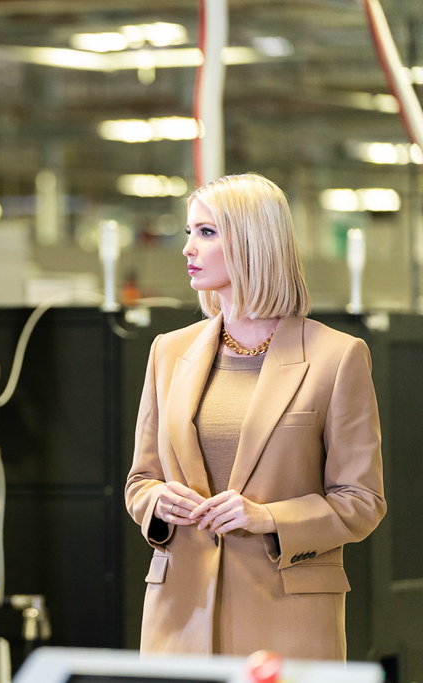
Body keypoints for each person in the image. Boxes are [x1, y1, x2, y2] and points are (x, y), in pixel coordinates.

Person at [124, 173, 386, 660]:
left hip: (288, 617)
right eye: (189, 231)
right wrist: (158, 501)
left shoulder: (337, 356)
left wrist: (267, 517)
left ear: (252, 242)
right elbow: (140, 481)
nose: (187, 248)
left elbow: (362, 501)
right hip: (178, 616)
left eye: (206, 232)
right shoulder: (168, 351)